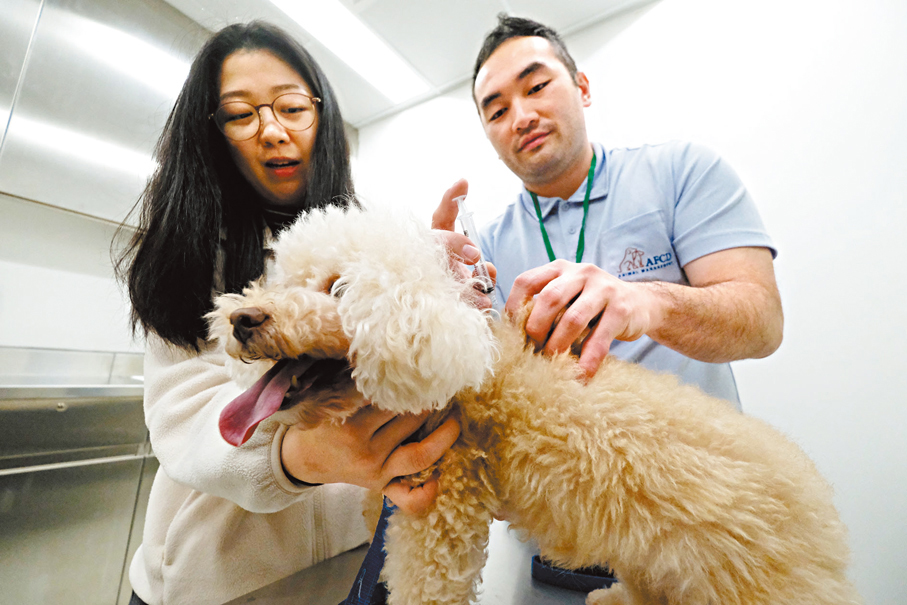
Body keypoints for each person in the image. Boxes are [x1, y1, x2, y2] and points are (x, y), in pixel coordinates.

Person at [116, 22, 478, 605]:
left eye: (291, 108)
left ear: (321, 115)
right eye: (241, 115)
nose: (272, 131)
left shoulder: (368, 235)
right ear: (211, 133)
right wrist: (299, 456)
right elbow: (181, 418)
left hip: (348, 569)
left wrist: (439, 292)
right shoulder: (187, 252)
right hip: (212, 583)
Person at [434, 14, 783, 405]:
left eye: (536, 87)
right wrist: (442, 311)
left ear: (582, 88)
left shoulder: (682, 171)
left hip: (697, 443)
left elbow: (764, 325)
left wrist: (647, 304)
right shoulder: (484, 253)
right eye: (498, 112)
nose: (521, 118)